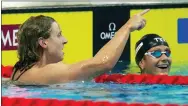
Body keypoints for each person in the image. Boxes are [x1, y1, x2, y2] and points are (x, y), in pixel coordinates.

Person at [11, 9, 150, 84]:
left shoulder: (18, 70)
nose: (65, 40)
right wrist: (127, 27)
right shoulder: (52, 72)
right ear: (43, 43)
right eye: (59, 35)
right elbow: (103, 63)